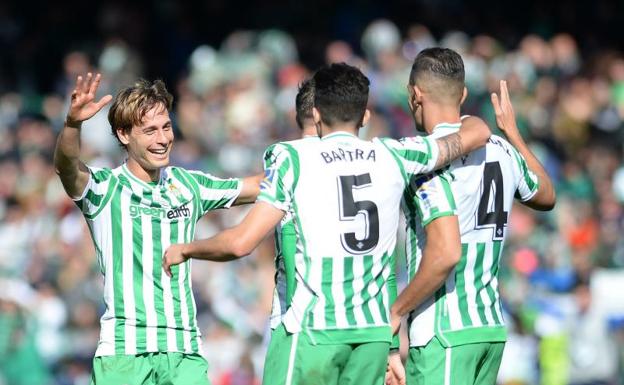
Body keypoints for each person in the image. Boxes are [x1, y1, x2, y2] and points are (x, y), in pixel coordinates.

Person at [163, 62, 490, 385]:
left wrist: (187, 249)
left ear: (316, 114)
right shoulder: (395, 155)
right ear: (365, 116)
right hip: (371, 336)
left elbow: (240, 243)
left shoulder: (292, 158)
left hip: (314, 331)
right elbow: (473, 135)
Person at [53, 73, 261, 385]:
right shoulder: (105, 188)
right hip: (124, 354)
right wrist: (72, 124)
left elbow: (256, 187)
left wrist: (305, 159)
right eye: (149, 130)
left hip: (184, 351)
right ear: (124, 134)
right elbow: (66, 166)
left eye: (165, 127)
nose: (162, 139)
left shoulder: (187, 184)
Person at [386, 48, 556, 385]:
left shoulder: (424, 159)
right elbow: (546, 195)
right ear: (462, 94)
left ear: (414, 95)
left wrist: (396, 311)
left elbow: (445, 255)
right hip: (489, 328)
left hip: (445, 329)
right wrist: (512, 132)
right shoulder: (503, 148)